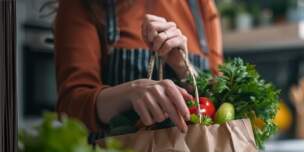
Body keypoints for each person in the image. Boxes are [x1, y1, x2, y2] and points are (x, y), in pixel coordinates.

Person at [54, 0, 222, 136]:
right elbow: (71, 107)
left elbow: (222, 100)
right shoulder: (82, 4)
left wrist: (183, 67)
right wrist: (130, 92)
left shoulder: (202, 5)